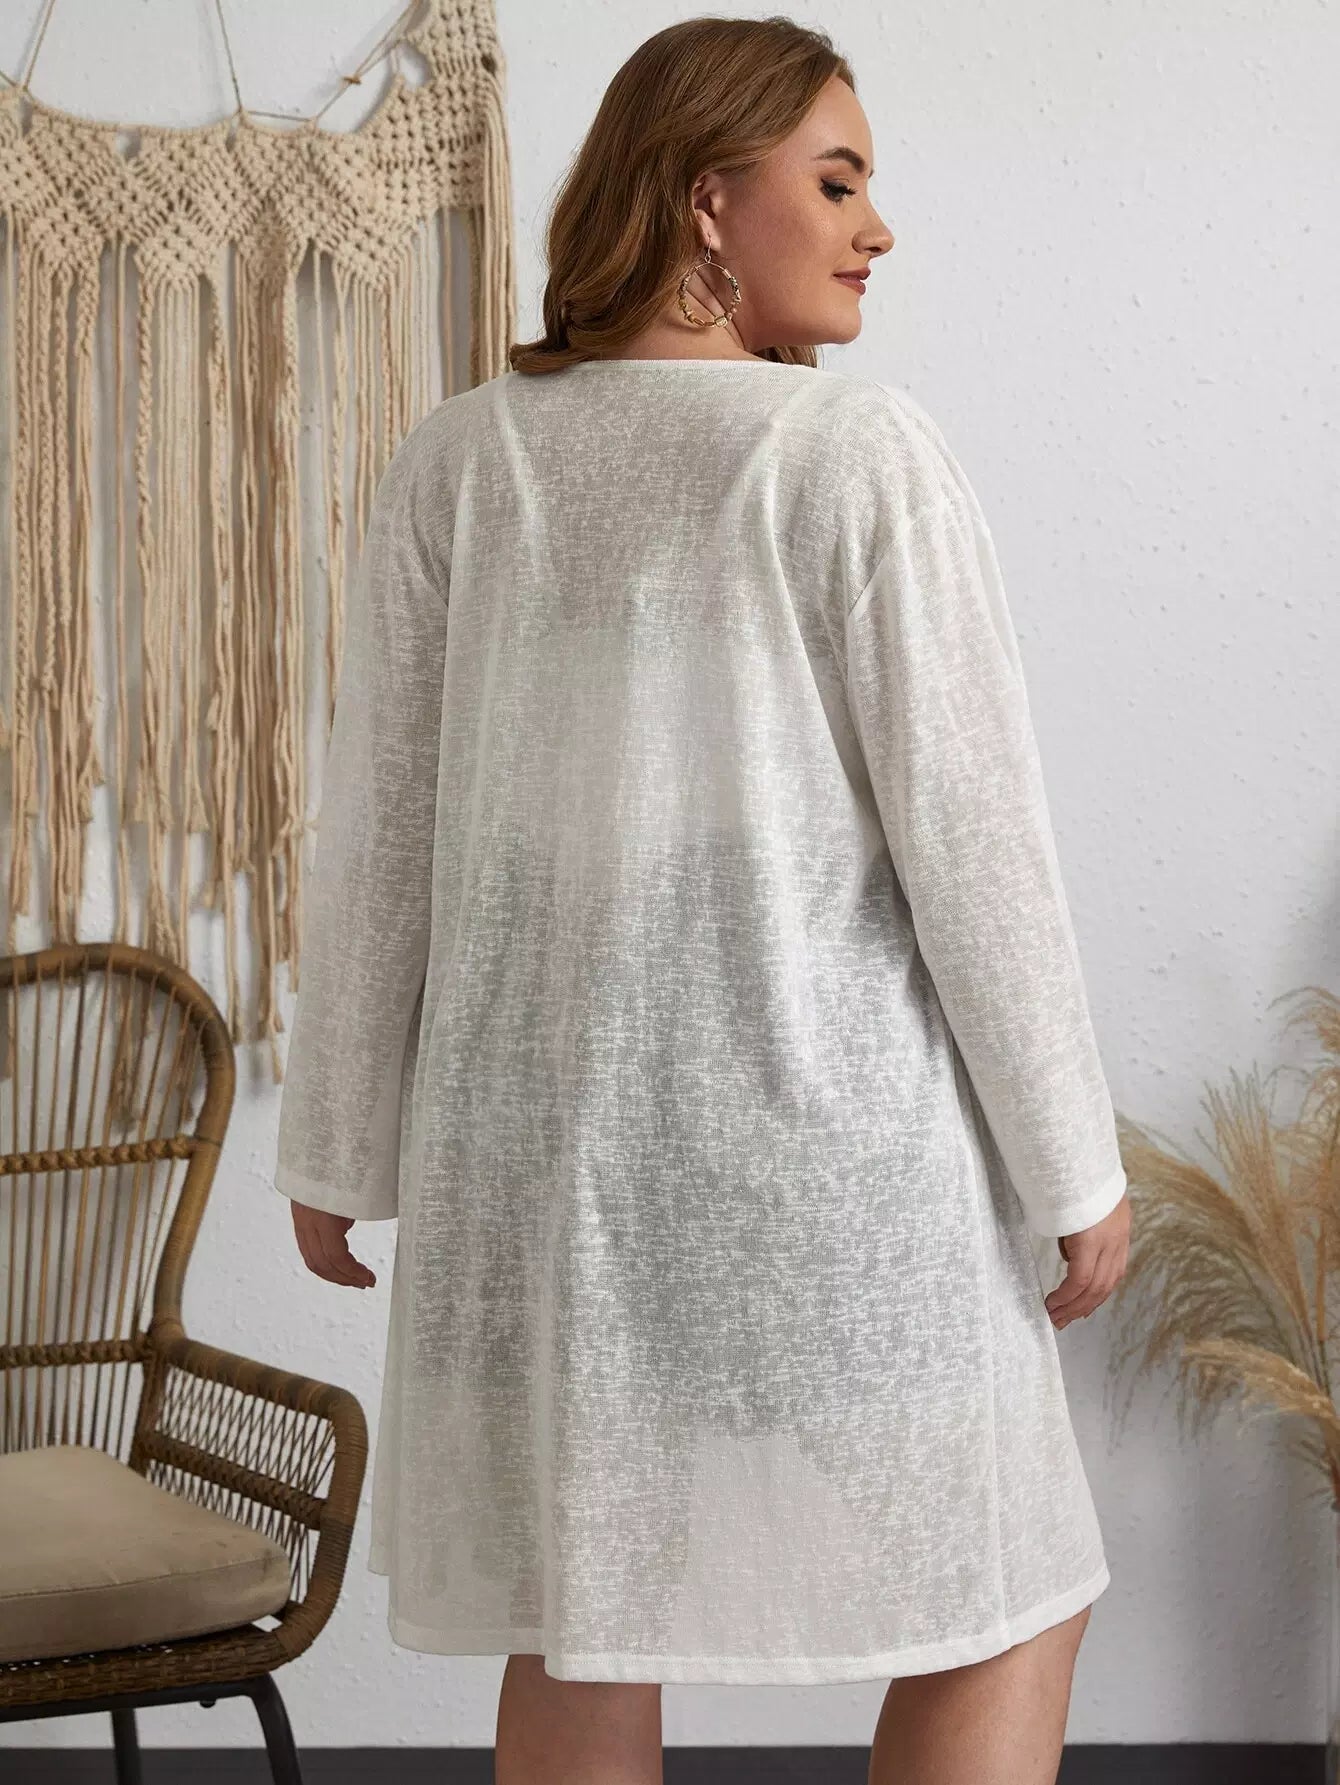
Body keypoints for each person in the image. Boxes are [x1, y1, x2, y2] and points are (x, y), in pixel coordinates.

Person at [274, 13, 1130, 1783]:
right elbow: (976, 846)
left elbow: (382, 834)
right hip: (825, 1170)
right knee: (1009, 1590)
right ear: (704, 200)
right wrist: (1074, 1168)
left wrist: (337, 1145)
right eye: (839, 180)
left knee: (583, 1616)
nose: (878, 227)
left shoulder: (461, 463)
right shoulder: (854, 455)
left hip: (545, 1173)